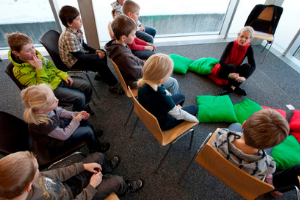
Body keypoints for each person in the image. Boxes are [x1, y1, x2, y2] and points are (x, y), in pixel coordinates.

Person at [213, 109, 300, 197]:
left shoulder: (221, 134)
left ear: (244, 125)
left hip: (216, 164)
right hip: (241, 180)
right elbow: (268, 170)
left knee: (235, 125)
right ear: (269, 146)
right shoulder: (266, 164)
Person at [5, 31, 93, 113]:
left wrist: (63, 75)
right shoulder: (20, 72)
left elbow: (52, 68)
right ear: (16, 53)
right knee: (80, 97)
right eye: (28, 50)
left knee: (87, 85)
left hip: (56, 79)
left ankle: (83, 106)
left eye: (33, 47)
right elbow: (43, 89)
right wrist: (39, 68)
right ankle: (79, 120)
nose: (33, 51)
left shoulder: (36, 56)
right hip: (50, 90)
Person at [0, 151, 144, 200]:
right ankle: (125, 188)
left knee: (97, 157)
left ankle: (106, 170)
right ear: (28, 186)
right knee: (116, 181)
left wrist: (82, 166)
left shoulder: (21, 181)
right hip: (78, 196)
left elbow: (57, 173)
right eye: (38, 169)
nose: (40, 171)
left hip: (67, 186)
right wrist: (91, 186)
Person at [21, 84, 110, 153]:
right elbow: (64, 135)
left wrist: (75, 114)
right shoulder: (43, 124)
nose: (57, 100)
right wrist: (75, 120)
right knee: (87, 131)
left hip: (59, 127)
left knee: (83, 118)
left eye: (54, 97)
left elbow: (60, 112)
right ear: (40, 110)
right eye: (53, 101)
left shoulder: (46, 109)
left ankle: (91, 136)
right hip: (58, 141)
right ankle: (94, 147)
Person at [105, 14, 179, 95]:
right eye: (133, 35)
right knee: (173, 83)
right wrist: (153, 71)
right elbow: (138, 74)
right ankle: (170, 105)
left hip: (133, 76)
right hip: (134, 81)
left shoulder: (118, 45)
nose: (134, 37)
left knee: (160, 69)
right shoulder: (123, 57)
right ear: (123, 37)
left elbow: (135, 59)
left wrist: (146, 65)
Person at [58, 5, 122, 94]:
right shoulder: (69, 36)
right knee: (100, 64)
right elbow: (81, 57)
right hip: (73, 61)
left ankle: (101, 74)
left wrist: (95, 51)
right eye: (77, 19)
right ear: (69, 23)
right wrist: (96, 55)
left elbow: (83, 44)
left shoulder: (75, 30)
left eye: (80, 17)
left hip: (78, 54)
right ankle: (114, 86)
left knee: (102, 52)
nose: (81, 20)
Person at [137, 53, 199, 131]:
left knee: (181, 96)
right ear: (161, 80)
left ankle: (175, 109)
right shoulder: (160, 96)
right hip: (164, 123)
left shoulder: (144, 81)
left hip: (151, 110)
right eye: (168, 75)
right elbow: (179, 114)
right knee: (195, 108)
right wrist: (193, 119)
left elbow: (163, 92)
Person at [218, 26, 256, 96]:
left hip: (235, 69)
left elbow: (253, 65)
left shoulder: (249, 48)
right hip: (225, 69)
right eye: (241, 36)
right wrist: (229, 74)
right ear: (238, 36)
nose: (243, 39)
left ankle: (233, 87)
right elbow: (222, 61)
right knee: (232, 67)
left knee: (247, 66)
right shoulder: (231, 44)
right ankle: (229, 87)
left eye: (246, 38)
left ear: (250, 39)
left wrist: (244, 77)